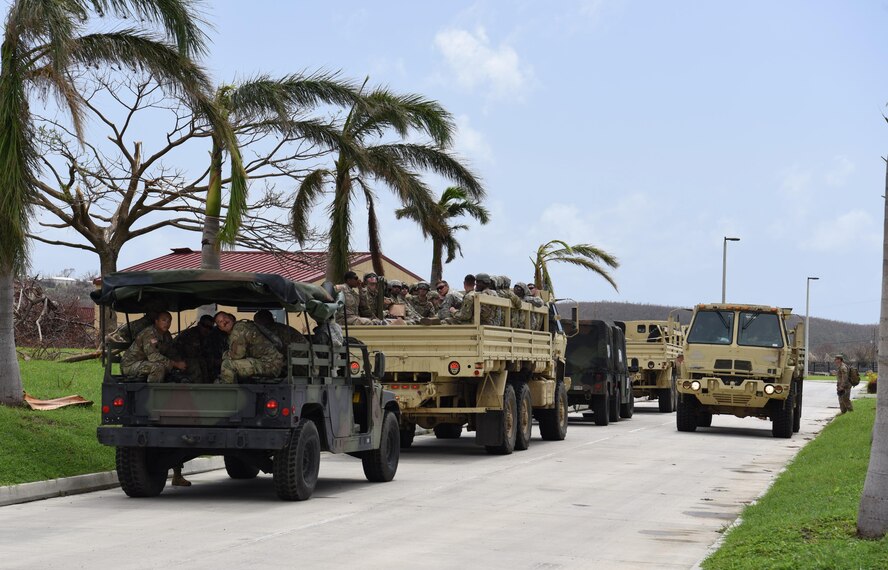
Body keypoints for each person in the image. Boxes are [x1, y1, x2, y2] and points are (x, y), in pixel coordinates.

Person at [214, 311, 285, 384]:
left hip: (269, 364)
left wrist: (224, 356)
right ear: (220, 328)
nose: (224, 322)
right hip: (270, 362)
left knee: (227, 365)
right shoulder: (241, 327)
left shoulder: (239, 329)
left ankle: (226, 393)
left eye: (225, 318)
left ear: (231, 318)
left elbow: (237, 355)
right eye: (220, 321)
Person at [120, 311, 186, 383]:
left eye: (169, 321)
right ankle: (153, 392)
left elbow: (171, 352)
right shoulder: (149, 334)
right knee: (158, 367)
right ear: (156, 321)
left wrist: (180, 362)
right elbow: (153, 356)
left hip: (146, 363)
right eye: (163, 320)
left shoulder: (166, 335)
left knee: (171, 369)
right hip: (130, 365)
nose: (167, 323)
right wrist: (175, 364)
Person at [172, 314, 216, 383]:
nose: (207, 329)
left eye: (210, 327)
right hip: (179, 361)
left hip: (193, 361)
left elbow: (208, 354)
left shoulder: (208, 337)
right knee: (198, 364)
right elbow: (191, 354)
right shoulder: (189, 335)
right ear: (199, 324)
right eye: (205, 326)